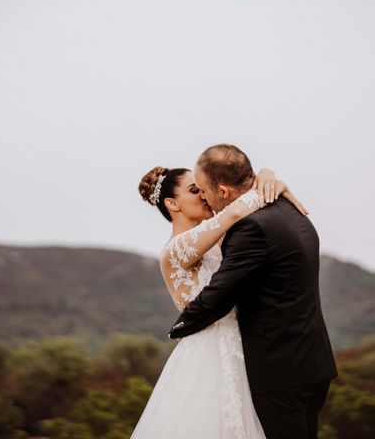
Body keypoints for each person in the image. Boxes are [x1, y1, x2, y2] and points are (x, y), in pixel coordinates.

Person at [169, 144, 338, 439]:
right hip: (314, 361)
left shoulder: (250, 228)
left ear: (223, 191)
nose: (205, 199)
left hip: (280, 371)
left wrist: (181, 325)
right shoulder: (290, 208)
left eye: (204, 191)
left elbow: (221, 293)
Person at [132, 163, 308, 439]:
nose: (205, 195)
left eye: (203, 189)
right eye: (195, 190)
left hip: (247, 348)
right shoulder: (176, 249)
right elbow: (237, 209)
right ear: (171, 204)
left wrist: (266, 175)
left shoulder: (218, 239)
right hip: (208, 356)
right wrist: (266, 181)